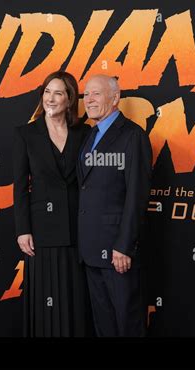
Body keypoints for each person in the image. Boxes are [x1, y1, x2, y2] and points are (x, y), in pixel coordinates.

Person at [13, 71, 91, 337]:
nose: (51, 98)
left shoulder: (85, 133)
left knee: (75, 298)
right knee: (46, 301)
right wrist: (23, 229)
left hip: (77, 231)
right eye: (47, 92)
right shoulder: (26, 134)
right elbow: (20, 187)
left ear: (69, 99)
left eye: (58, 93)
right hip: (42, 233)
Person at [77, 74, 152, 337]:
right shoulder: (89, 135)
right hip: (90, 251)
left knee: (127, 324)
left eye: (96, 93)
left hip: (117, 252)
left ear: (115, 97)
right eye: (86, 95)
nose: (89, 100)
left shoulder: (133, 136)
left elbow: (137, 196)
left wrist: (124, 245)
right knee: (104, 326)